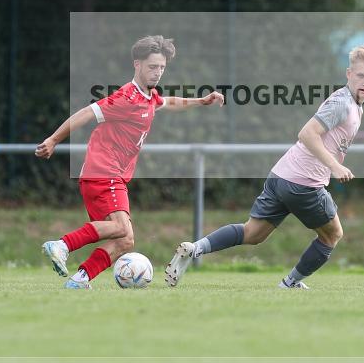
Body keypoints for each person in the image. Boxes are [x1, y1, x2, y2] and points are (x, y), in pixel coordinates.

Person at [165, 45, 364, 289]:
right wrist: (334, 166)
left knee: (253, 233)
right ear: (348, 74)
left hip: (281, 176)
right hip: (304, 184)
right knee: (333, 235)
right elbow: (307, 133)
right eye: (361, 75)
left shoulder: (353, 104)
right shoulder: (342, 103)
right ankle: (290, 283)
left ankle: (194, 248)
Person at [37, 35, 224, 289]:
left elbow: (167, 102)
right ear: (137, 64)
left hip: (106, 175)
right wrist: (53, 139)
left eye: (161, 67)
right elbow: (86, 113)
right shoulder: (126, 97)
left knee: (125, 239)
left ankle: (80, 280)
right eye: (152, 67)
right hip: (105, 171)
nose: (157, 72)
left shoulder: (149, 96)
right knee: (120, 226)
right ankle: (61, 245)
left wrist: (200, 101)